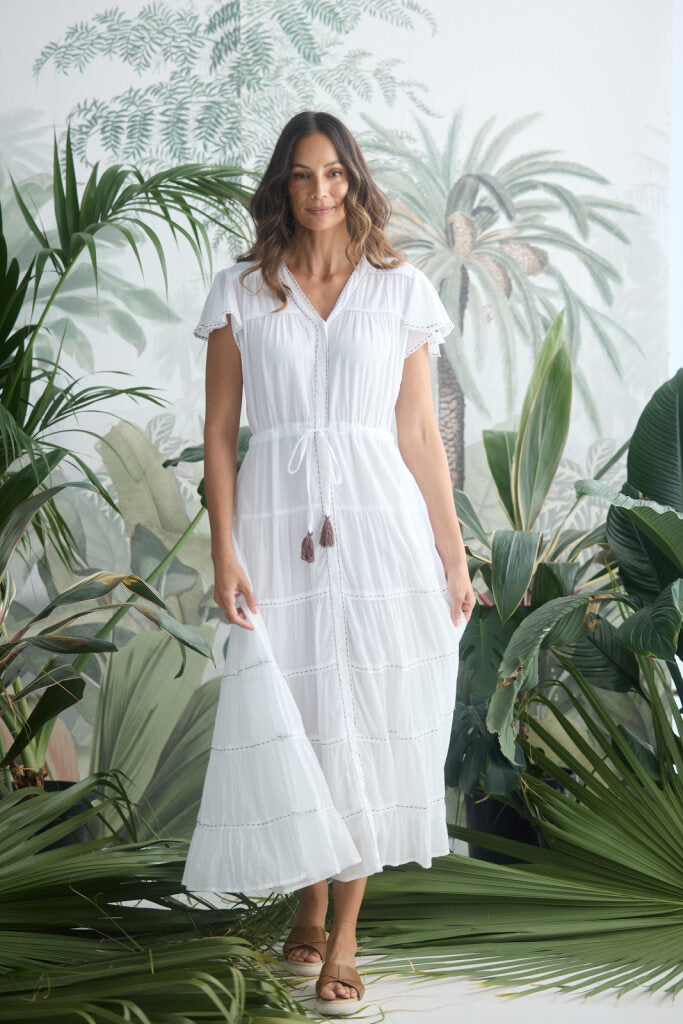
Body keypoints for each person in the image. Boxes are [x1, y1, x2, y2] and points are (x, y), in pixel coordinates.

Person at [182, 110, 475, 1015]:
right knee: (298, 709)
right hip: (274, 524)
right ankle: (305, 898)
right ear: (282, 185)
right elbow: (221, 437)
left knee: (366, 710)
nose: (321, 193)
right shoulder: (242, 290)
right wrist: (223, 550)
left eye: (336, 175)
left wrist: (453, 552)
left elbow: (421, 435)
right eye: (303, 177)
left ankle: (341, 934)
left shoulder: (399, 290)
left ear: (356, 180)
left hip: (378, 524)